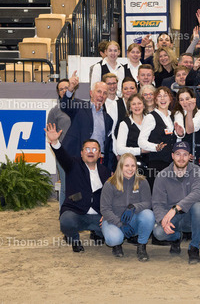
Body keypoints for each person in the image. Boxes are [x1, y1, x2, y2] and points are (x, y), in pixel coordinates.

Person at [45, 123, 111, 252]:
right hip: (76, 212)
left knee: (112, 227)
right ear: (81, 153)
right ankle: (74, 239)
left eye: (94, 149)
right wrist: (55, 142)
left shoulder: (106, 171)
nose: (90, 152)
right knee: (66, 221)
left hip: (98, 215)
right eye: (87, 149)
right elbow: (62, 156)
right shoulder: (73, 165)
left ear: (100, 154)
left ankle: (97, 233)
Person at [151, 141, 200, 264]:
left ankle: (194, 248)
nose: (181, 158)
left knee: (199, 207)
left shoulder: (197, 171)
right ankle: (176, 238)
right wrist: (163, 220)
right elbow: (157, 203)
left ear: (190, 156)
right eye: (178, 154)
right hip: (172, 218)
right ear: (172, 156)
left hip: (190, 217)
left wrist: (176, 208)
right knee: (158, 233)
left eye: (185, 154)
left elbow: (198, 193)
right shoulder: (162, 175)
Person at [100, 153, 154, 261]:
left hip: (133, 219)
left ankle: (141, 246)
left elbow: (148, 203)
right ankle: (117, 245)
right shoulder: (110, 183)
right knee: (113, 239)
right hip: (113, 220)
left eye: (133, 166)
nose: (130, 169)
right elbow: (105, 209)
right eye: (126, 165)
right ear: (120, 166)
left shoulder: (142, 182)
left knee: (149, 215)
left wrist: (134, 207)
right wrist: (120, 224)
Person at [60, 71, 115, 171]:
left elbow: (108, 146)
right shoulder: (79, 106)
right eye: (99, 91)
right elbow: (64, 105)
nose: (101, 95)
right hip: (77, 159)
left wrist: (109, 168)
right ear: (91, 93)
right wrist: (70, 88)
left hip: (98, 163)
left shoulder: (108, 119)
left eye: (104, 93)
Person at [138, 86, 185, 187]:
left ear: (170, 99)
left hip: (172, 163)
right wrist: (155, 147)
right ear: (155, 100)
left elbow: (177, 139)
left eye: (165, 96)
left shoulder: (174, 116)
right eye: (159, 96)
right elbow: (141, 141)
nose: (162, 98)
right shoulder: (151, 117)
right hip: (157, 163)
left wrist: (180, 134)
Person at [47, 78, 71, 207]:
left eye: (66, 87)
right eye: (61, 89)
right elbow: (51, 135)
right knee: (65, 186)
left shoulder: (82, 107)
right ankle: (64, 213)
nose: (64, 91)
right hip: (63, 153)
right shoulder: (54, 111)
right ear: (58, 92)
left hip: (80, 153)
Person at [115, 94, 149, 171]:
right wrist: (140, 151)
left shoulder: (151, 121)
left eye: (139, 103)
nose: (137, 106)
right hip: (132, 165)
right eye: (133, 104)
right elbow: (120, 149)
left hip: (151, 163)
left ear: (144, 106)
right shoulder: (124, 124)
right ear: (130, 108)